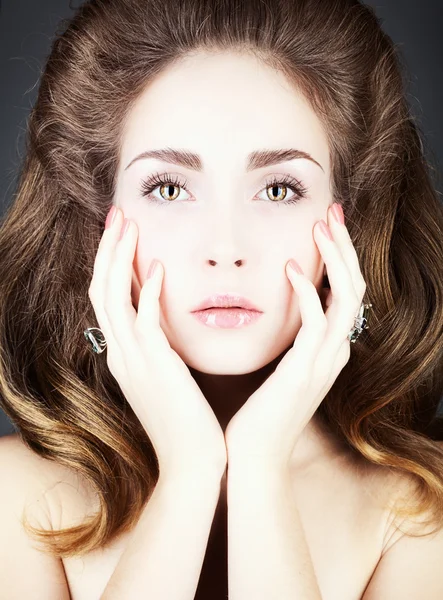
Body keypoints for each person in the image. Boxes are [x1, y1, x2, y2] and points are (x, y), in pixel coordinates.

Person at [0, 0, 442, 598]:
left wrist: (257, 467)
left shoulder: (420, 512)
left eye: (281, 188)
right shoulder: (18, 496)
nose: (226, 248)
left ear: (351, 220)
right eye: (169, 187)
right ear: (95, 219)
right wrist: (189, 471)